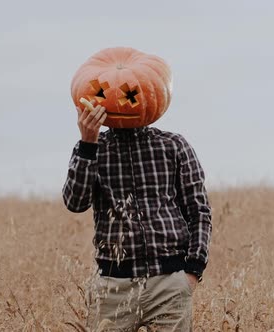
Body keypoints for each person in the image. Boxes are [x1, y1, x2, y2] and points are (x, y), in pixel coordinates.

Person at [62, 100, 212, 331]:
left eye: (131, 93)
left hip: (169, 281)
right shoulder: (93, 149)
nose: (121, 99)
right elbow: (75, 202)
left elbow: (199, 210)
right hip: (113, 286)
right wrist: (88, 144)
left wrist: (193, 270)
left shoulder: (173, 145)